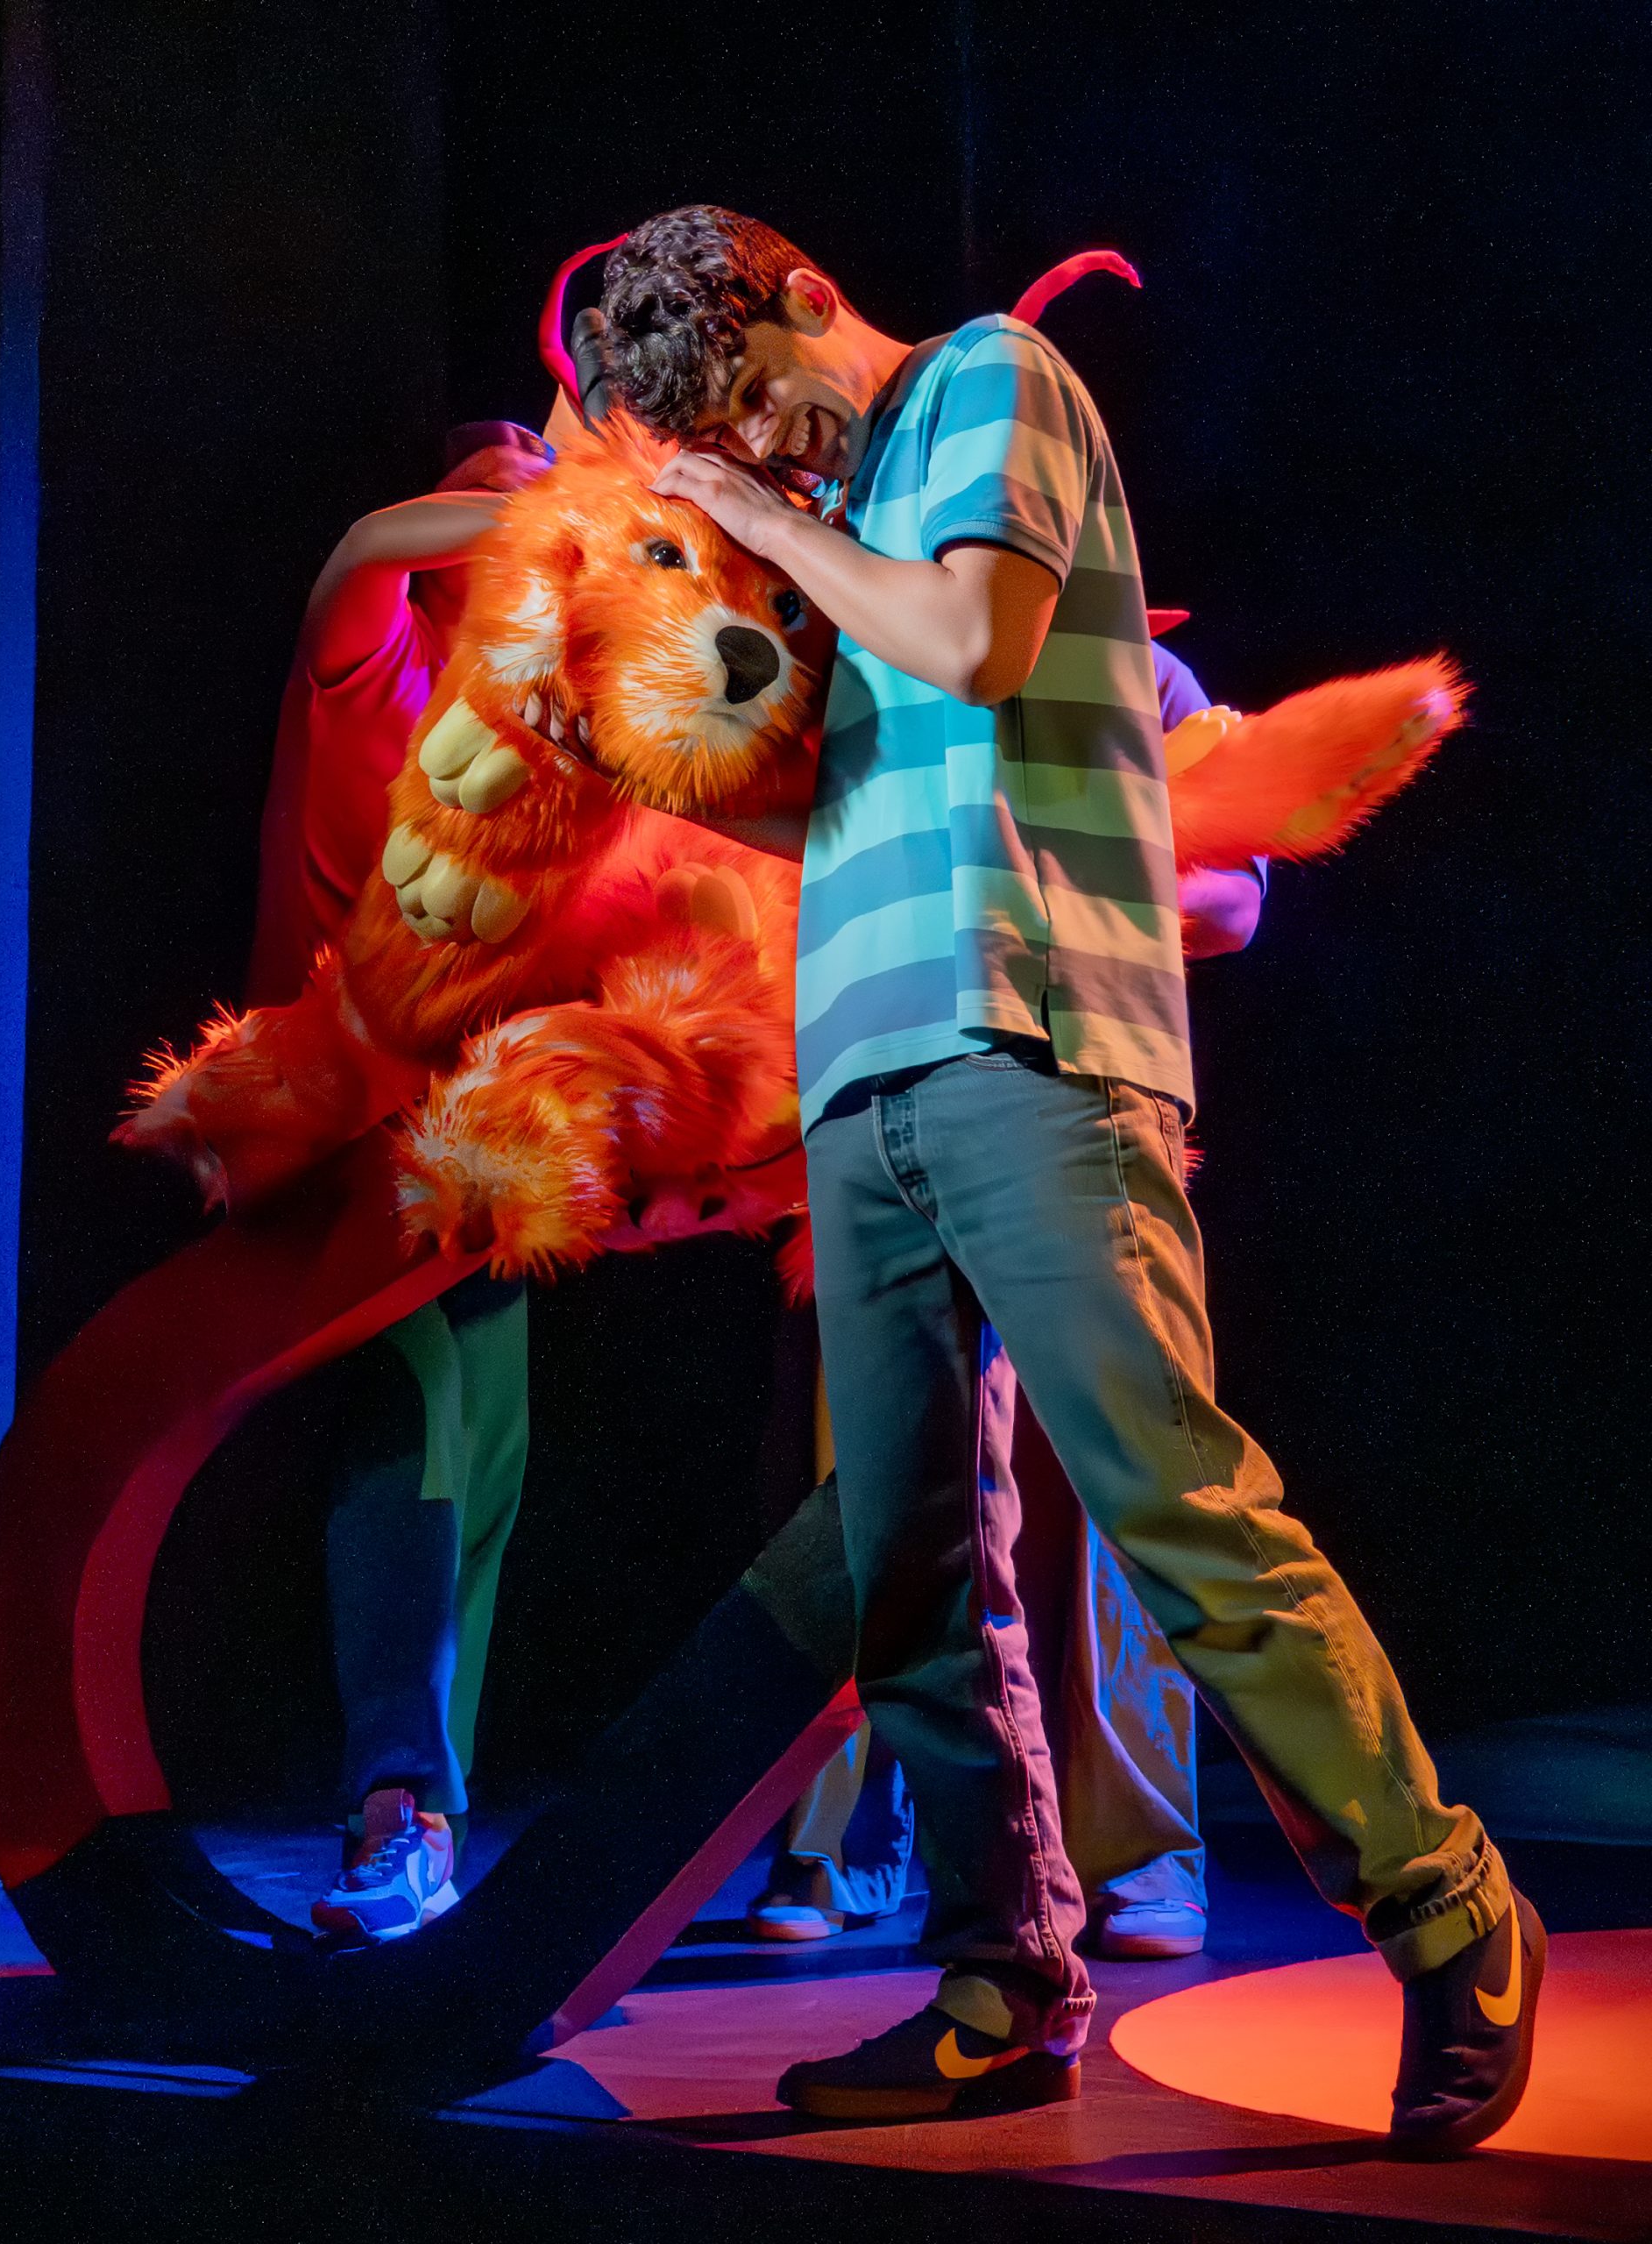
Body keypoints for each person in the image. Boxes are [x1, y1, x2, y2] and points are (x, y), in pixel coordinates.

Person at [600, 205, 1539, 2149]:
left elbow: (973, 637)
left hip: (1033, 1038)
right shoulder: (855, 515)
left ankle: (1448, 1903)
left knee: (1169, 1497)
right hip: (865, 1066)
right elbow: (859, 762)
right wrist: (658, 757)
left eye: (754, 413)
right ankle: (999, 1972)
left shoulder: (986, 385)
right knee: (913, 1567)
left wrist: (770, 527)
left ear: (796, 300)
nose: (764, 460)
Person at [749, 641, 1259, 1960]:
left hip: (1074, 1112)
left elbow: (1232, 901)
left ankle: (1136, 1849)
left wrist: (1020, 885)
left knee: (1102, 1483)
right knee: (876, 1486)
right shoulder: (871, 663)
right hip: (889, 1114)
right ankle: (854, 1839)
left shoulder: (1144, 677)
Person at [246, 419, 554, 1942]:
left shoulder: (523, 725)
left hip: (478, 1150)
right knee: (414, 1434)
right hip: (348, 1137)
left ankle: (431, 1817)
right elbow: (364, 552)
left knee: (485, 1468)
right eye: (488, 473)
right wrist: (492, 505)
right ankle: (390, 1809)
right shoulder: (376, 659)